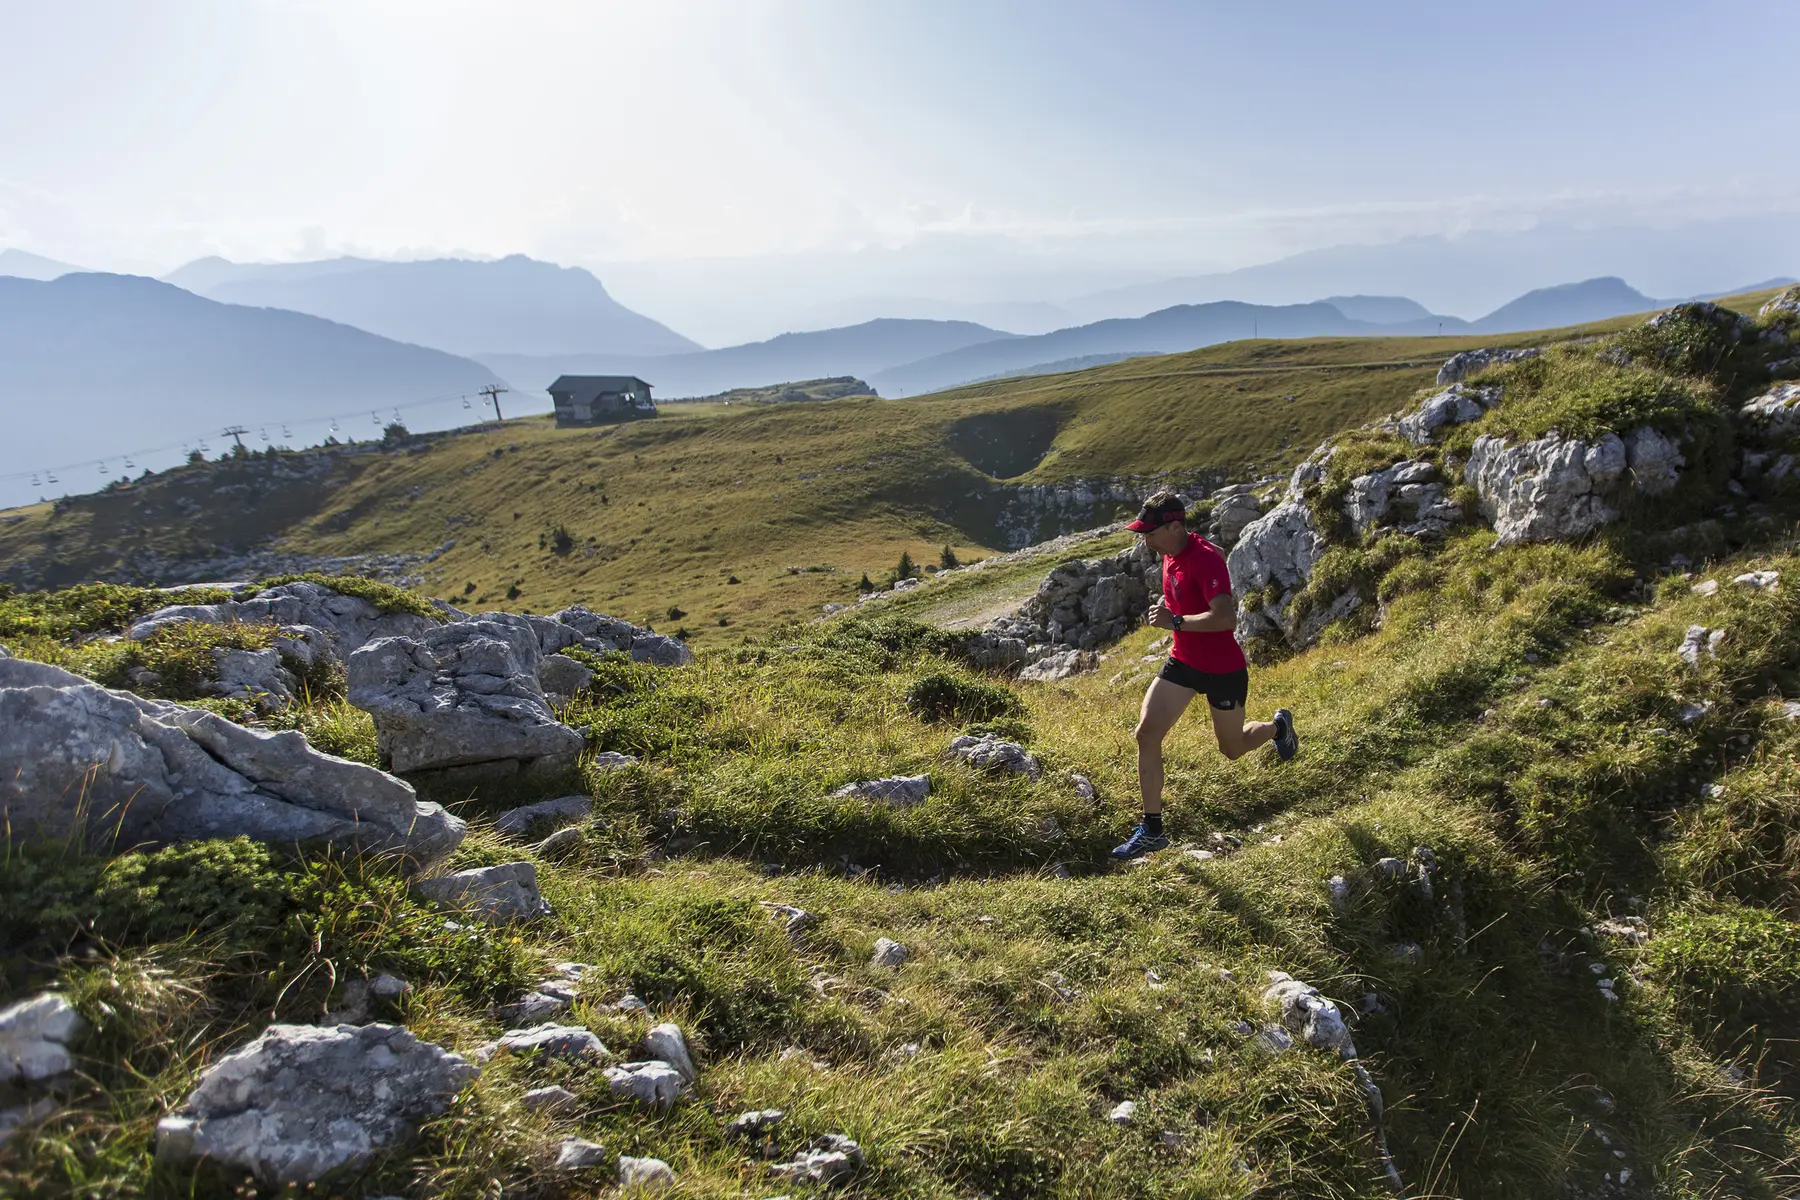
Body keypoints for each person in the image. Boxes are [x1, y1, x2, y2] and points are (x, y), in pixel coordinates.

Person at [1111, 491, 1297, 859]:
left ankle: (1279, 728)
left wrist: (1175, 621)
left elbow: (1226, 618)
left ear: (1175, 526)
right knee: (1146, 734)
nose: (1144, 538)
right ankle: (1152, 830)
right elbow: (1184, 599)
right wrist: (1171, 609)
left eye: (1150, 531)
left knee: (1232, 749)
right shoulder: (1169, 556)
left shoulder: (1207, 559)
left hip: (1223, 670)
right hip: (1183, 662)